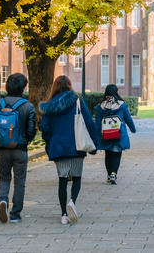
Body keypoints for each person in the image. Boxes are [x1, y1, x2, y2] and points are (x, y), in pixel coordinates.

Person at [40, 75, 98, 225]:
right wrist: (94, 143)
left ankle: (64, 215)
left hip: (58, 147)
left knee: (62, 180)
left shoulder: (49, 105)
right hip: (77, 145)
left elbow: (44, 127)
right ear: (69, 86)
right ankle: (72, 202)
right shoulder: (77, 101)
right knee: (77, 178)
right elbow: (89, 123)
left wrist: (49, 141)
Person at [0, 73, 36, 224]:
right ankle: (15, 214)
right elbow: (31, 130)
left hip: (2, 148)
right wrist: (24, 141)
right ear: (23, 87)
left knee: (4, 178)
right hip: (20, 149)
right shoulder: (28, 106)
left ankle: (3, 200)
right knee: (20, 181)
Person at [93, 84, 136, 184]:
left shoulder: (101, 106)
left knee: (108, 154)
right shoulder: (121, 105)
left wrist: (97, 136)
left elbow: (98, 124)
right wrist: (133, 129)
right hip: (118, 134)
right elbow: (128, 118)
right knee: (116, 154)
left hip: (106, 134)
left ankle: (109, 175)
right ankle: (113, 173)